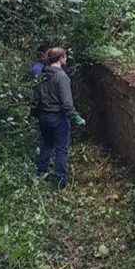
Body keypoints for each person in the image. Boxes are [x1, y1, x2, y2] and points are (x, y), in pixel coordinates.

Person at [32, 47, 86, 189]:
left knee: (47, 144)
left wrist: (36, 113)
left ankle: (40, 174)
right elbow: (67, 103)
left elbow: (35, 99)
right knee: (61, 149)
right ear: (61, 59)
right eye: (65, 57)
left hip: (44, 117)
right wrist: (76, 117)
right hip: (58, 118)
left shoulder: (41, 74)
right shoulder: (61, 77)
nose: (66, 59)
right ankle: (61, 183)